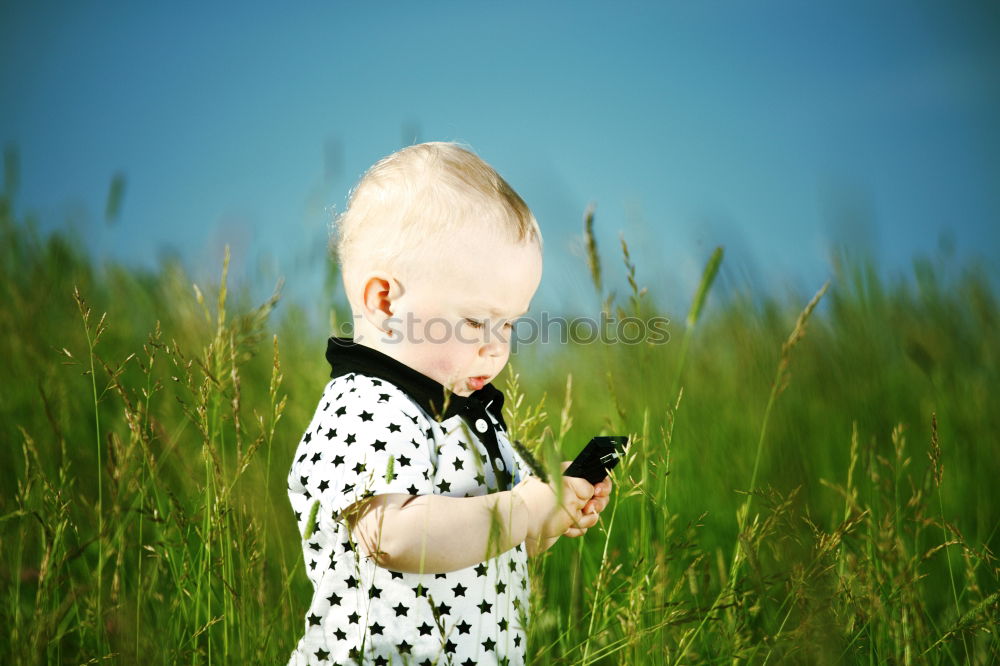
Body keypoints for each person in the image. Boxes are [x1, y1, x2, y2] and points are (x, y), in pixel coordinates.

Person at [287, 142, 613, 665]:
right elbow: (390, 535)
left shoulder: (465, 414)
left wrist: (545, 515)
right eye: (476, 322)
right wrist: (521, 510)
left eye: (508, 323)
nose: (496, 346)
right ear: (385, 302)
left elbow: (488, 543)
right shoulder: (367, 406)